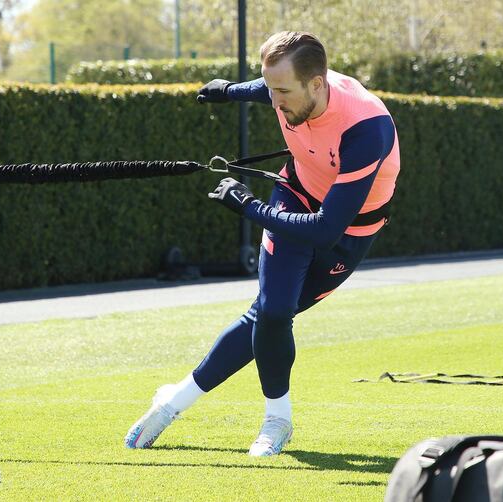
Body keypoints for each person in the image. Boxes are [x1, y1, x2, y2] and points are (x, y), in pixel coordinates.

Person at [124, 31, 400, 456]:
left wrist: (248, 206)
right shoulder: (286, 89)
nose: (274, 102)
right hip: (295, 192)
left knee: (270, 315)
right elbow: (263, 87)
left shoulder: (366, 128)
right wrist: (228, 91)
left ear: (317, 84)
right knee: (272, 311)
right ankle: (274, 420)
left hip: (346, 231)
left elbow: (326, 228)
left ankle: (174, 398)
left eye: (283, 92)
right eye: (269, 90)